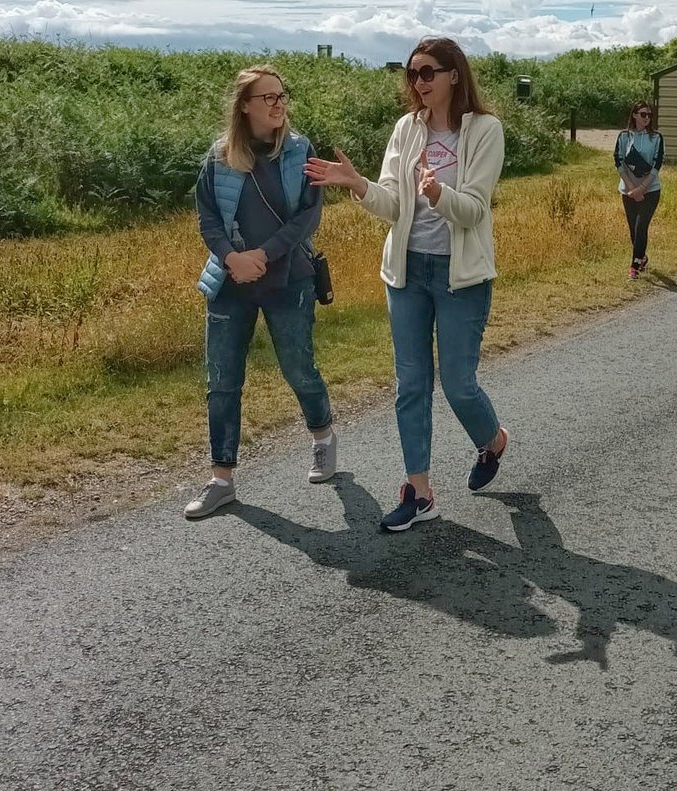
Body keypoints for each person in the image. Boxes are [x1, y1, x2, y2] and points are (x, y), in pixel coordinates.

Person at [304, 37, 508, 533]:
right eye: (412, 73)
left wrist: (439, 194)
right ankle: (419, 492)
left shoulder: (485, 130)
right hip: (408, 273)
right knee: (411, 384)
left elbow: (474, 210)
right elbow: (394, 204)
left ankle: (493, 440)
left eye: (428, 72)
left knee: (458, 384)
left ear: (454, 75)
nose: (418, 82)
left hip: (461, 277)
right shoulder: (406, 128)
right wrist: (358, 185)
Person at [186, 65, 336, 519]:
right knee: (222, 380)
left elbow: (309, 215)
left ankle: (323, 436)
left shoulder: (300, 150)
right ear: (245, 106)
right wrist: (231, 258)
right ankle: (221, 479)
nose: (278, 104)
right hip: (230, 281)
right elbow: (207, 216)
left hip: (289, 278)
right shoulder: (219, 156)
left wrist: (263, 255)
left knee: (298, 368)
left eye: (281, 95)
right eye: (268, 97)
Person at [613, 102, 665, 280]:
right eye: (643, 114)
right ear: (634, 115)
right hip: (628, 190)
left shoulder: (656, 137)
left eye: (649, 115)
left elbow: (658, 163)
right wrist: (631, 188)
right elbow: (618, 161)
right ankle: (642, 257)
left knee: (641, 226)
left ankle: (634, 266)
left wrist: (642, 188)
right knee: (633, 230)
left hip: (650, 190)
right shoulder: (624, 136)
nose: (647, 118)